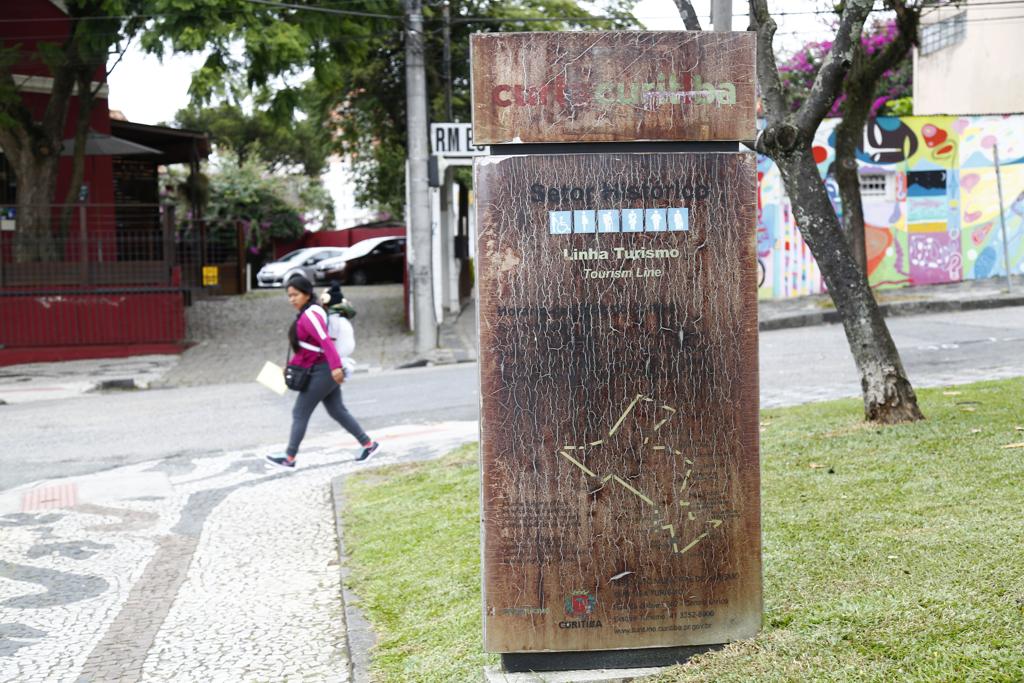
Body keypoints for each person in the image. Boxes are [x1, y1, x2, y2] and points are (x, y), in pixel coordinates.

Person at [266, 274, 379, 468]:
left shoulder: (311, 314)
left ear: (307, 294)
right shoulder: (307, 313)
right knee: (337, 410)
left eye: (295, 294)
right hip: (321, 368)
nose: (291, 299)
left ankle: (289, 457)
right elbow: (307, 349)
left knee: (300, 412)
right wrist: (292, 366)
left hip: (324, 370)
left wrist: (335, 367)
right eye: (289, 295)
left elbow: (324, 340)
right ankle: (368, 444)